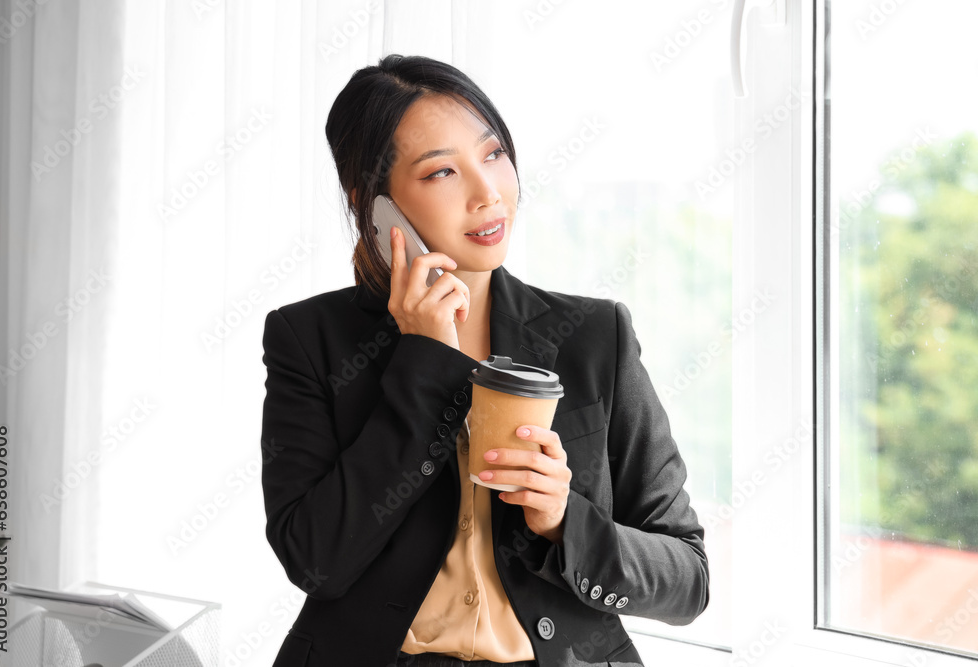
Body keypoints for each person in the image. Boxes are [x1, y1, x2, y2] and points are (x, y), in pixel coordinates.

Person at [259, 54, 709, 667]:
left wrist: (563, 522)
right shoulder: (309, 338)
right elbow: (314, 560)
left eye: (493, 154)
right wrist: (421, 359)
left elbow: (688, 579)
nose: (487, 192)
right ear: (377, 206)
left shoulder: (594, 336)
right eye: (442, 172)